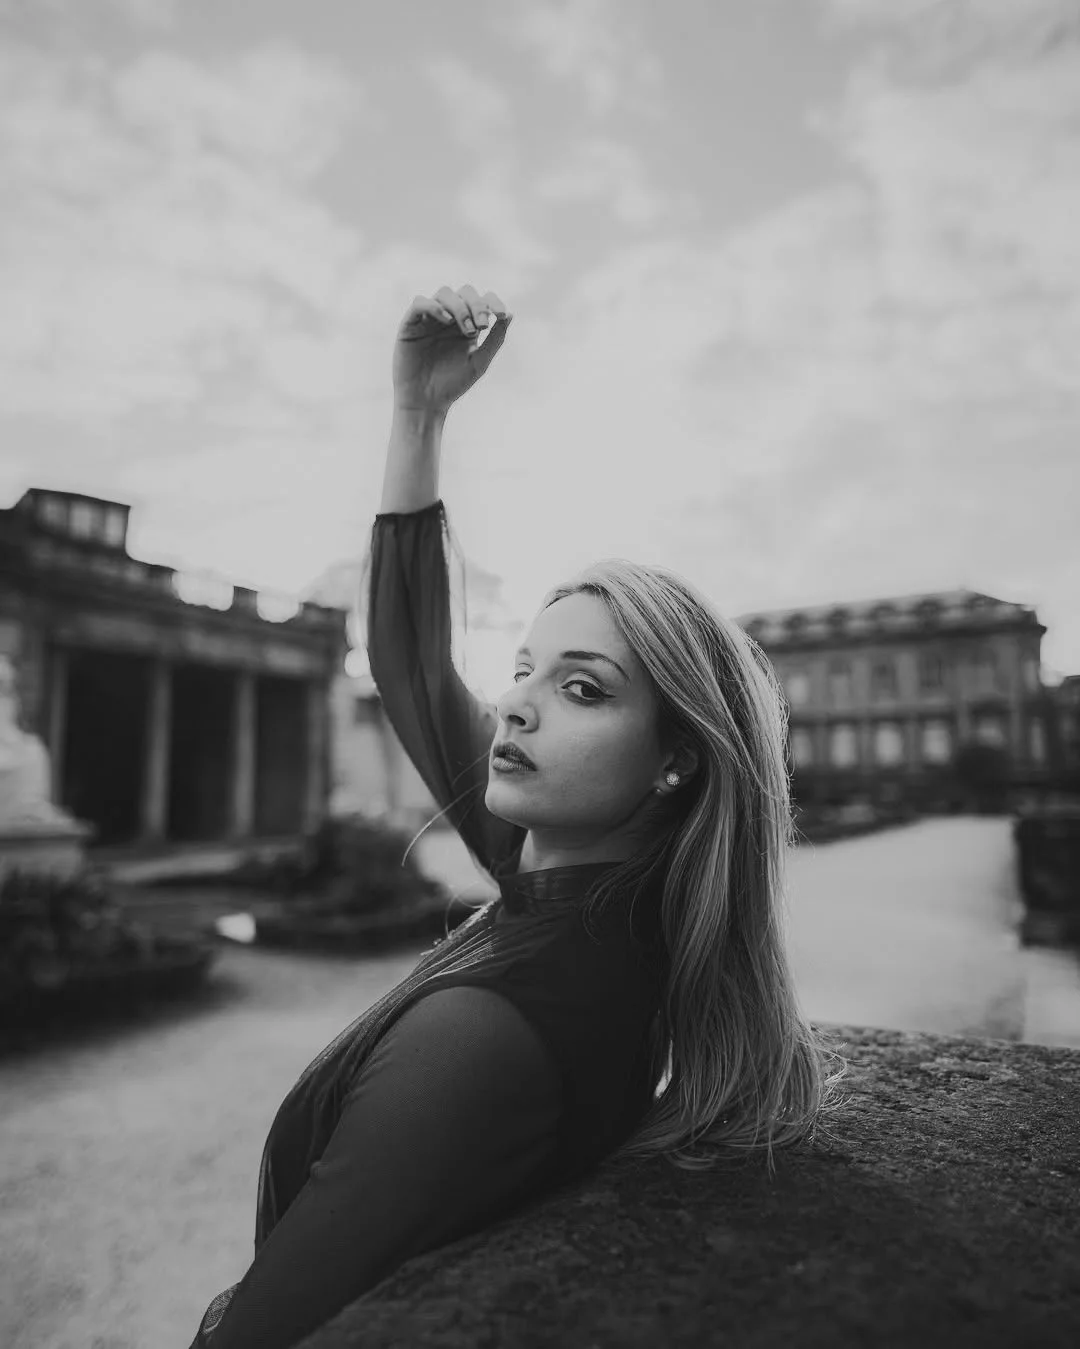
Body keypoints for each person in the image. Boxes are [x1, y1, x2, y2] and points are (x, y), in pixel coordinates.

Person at [188, 284, 848, 1347]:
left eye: (583, 687)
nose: (517, 704)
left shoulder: (488, 1029)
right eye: (523, 668)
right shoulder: (601, 900)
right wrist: (418, 414)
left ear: (676, 762)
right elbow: (413, 661)